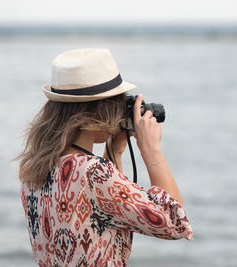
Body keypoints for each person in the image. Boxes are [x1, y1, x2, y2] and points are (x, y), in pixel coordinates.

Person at [16, 48, 193, 266]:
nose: (120, 111)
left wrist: (114, 150)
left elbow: (101, 213)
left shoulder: (33, 170)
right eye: (118, 102)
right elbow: (174, 223)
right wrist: (150, 148)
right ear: (99, 109)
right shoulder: (93, 173)